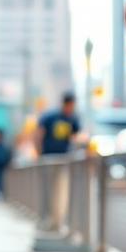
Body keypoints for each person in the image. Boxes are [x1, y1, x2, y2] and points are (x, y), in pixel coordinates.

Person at [36, 92, 82, 229]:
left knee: (61, 190)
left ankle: (57, 220)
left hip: (64, 159)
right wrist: (39, 153)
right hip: (48, 157)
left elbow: (76, 136)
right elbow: (39, 134)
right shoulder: (50, 117)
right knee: (48, 190)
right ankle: (47, 219)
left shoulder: (73, 118)